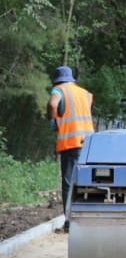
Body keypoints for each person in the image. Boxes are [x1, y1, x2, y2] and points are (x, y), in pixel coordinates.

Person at [47, 66, 94, 233]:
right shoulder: (84, 93)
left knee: (68, 183)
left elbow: (53, 104)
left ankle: (69, 222)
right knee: (85, 182)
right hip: (89, 143)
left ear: (57, 80)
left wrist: (53, 122)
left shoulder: (59, 90)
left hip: (71, 143)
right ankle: (86, 220)